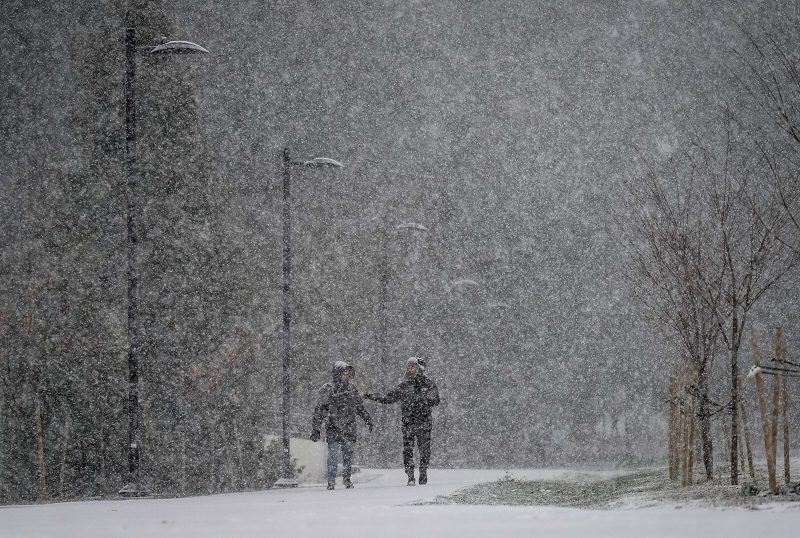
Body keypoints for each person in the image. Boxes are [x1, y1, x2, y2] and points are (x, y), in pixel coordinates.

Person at [364, 357, 440, 486]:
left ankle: (423, 471)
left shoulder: (429, 384)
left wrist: (422, 399)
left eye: (413, 367)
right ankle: (410, 475)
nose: (410, 370)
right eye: (408, 367)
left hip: (424, 423)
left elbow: (436, 400)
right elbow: (388, 398)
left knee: (424, 450)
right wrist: (372, 396)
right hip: (408, 423)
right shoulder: (404, 386)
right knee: (407, 450)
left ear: (420, 369)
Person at [311, 360, 373, 490]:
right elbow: (320, 410)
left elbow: (359, 407)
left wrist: (367, 419)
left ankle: (347, 479)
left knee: (348, 455)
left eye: (347, 373)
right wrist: (316, 429)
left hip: (348, 427)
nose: (346, 376)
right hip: (333, 427)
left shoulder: (352, 389)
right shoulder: (328, 389)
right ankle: (331, 481)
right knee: (333, 455)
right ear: (337, 374)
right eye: (343, 373)